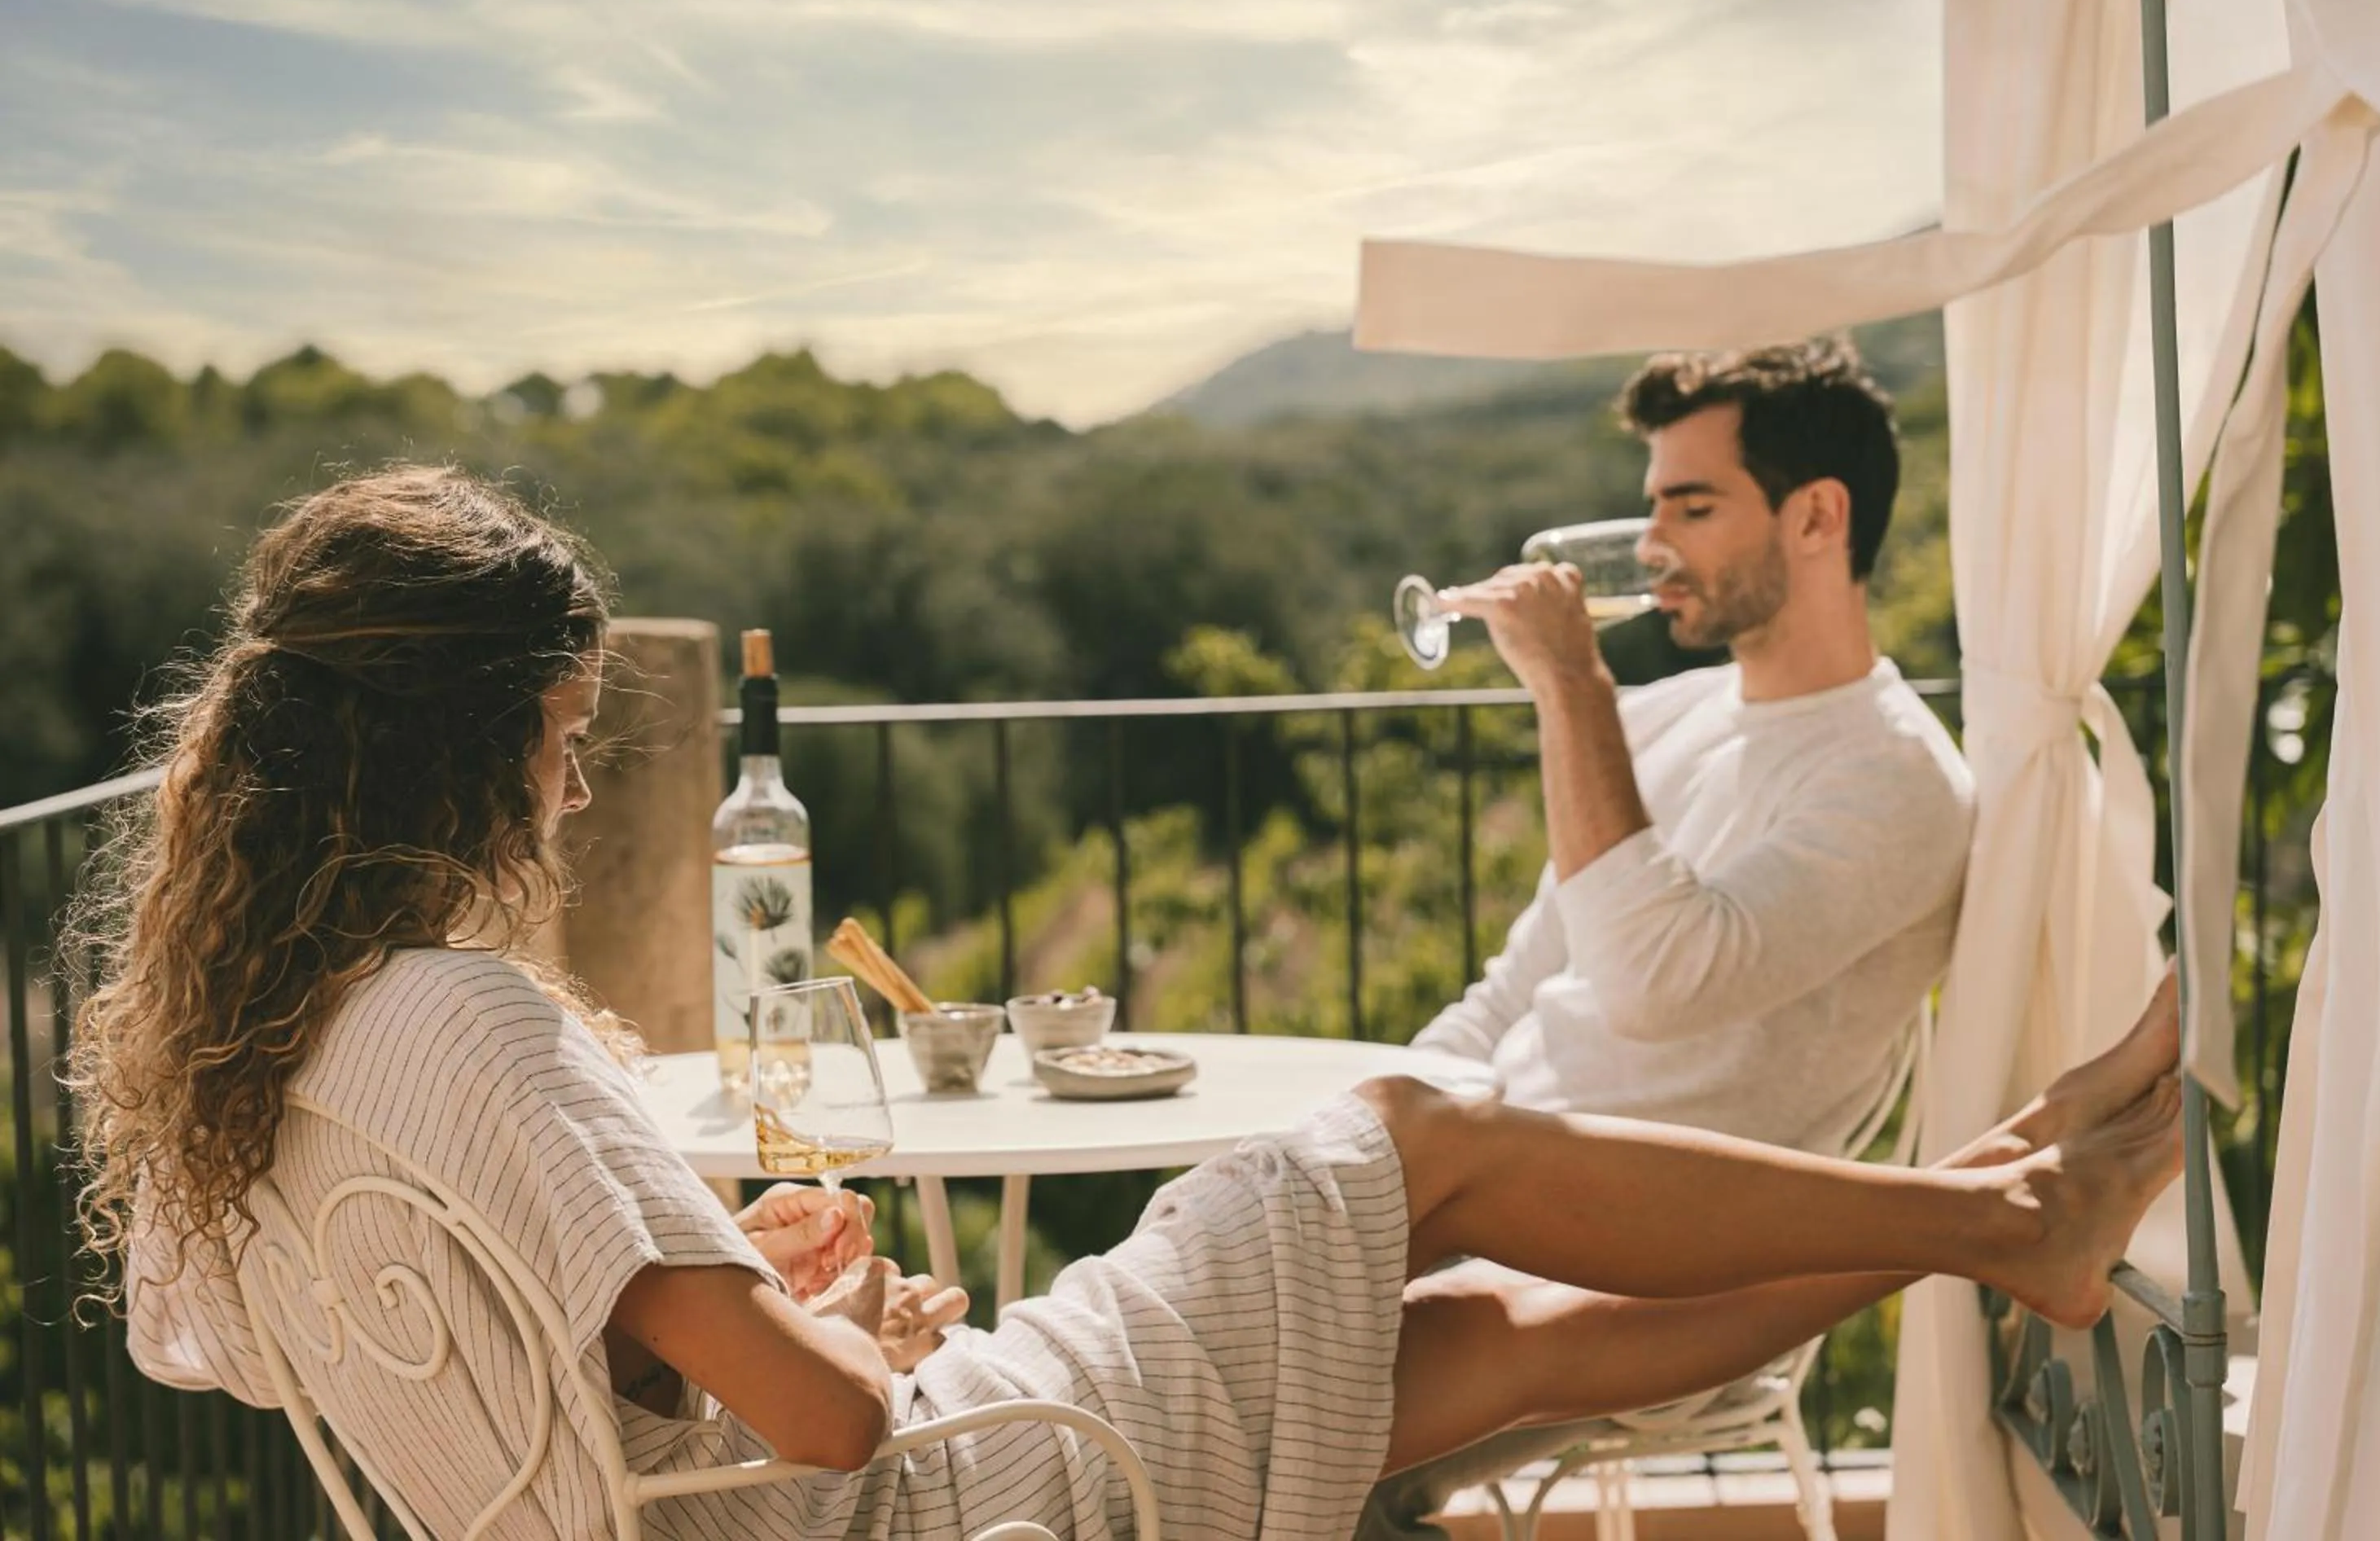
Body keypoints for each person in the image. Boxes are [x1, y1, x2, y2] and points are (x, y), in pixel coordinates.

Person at [72, 468, 2180, 1541]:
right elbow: (831, 1419)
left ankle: (1993, 1213)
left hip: (815, 1508)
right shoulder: (475, 1024)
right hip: (952, 1500)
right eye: (550, 735)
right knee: (1407, 1144)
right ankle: (1996, 1221)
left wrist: (728, 1318)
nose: (565, 781)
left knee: (1442, 1347)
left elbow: (522, 1385)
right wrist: (834, 1331)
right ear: (445, 747)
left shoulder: (260, 1068)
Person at [1372, 340, 1976, 1536]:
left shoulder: (1898, 781)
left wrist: (1571, 688)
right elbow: (1513, 989)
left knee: (1283, 1442)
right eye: (1650, 506)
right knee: (1183, 1350)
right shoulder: (1679, 715)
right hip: (1483, 1202)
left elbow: (1655, 984)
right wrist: (1369, 1135)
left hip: (1643, 1273)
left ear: (1817, 518)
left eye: (1694, 508)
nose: (1652, 547)